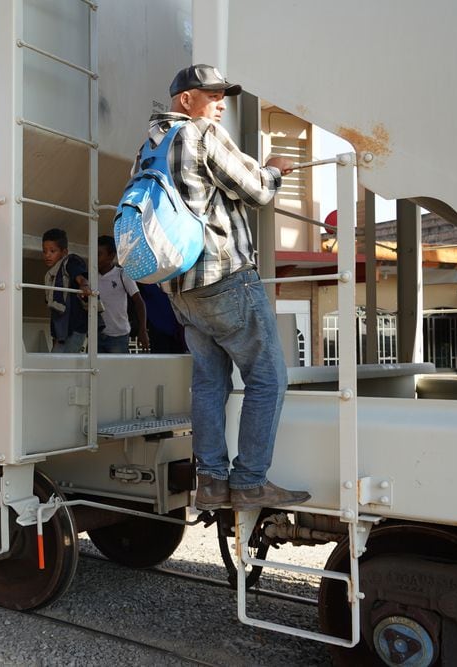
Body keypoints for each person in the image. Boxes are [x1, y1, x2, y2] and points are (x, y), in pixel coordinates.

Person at [144, 64, 310, 512]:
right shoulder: (201, 134)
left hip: (180, 290)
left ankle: (212, 482)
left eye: (224, 96)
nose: (220, 104)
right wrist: (273, 168)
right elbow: (256, 191)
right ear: (186, 100)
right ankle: (251, 480)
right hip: (225, 279)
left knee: (209, 385)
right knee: (269, 379)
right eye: (212, 95)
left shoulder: (151, 145)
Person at [42, 228, 93, 353]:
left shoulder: (69, 262)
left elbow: (79, 276)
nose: (47, 255)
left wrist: (84, 285)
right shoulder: (51, 276)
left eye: (52, 251)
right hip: (62, 330)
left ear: (64, 252)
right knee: (58, 363)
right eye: (45, 251)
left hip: (75, 326)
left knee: (62, 365)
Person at [97, 235, 149, 354]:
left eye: (99, 254)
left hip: (118, 335)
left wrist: (143, 330)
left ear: (111, 256)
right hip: (97, 335)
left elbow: (139, 302)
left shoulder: (122, 274)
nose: (95, 257)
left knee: (118, 371)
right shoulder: (90, 276)